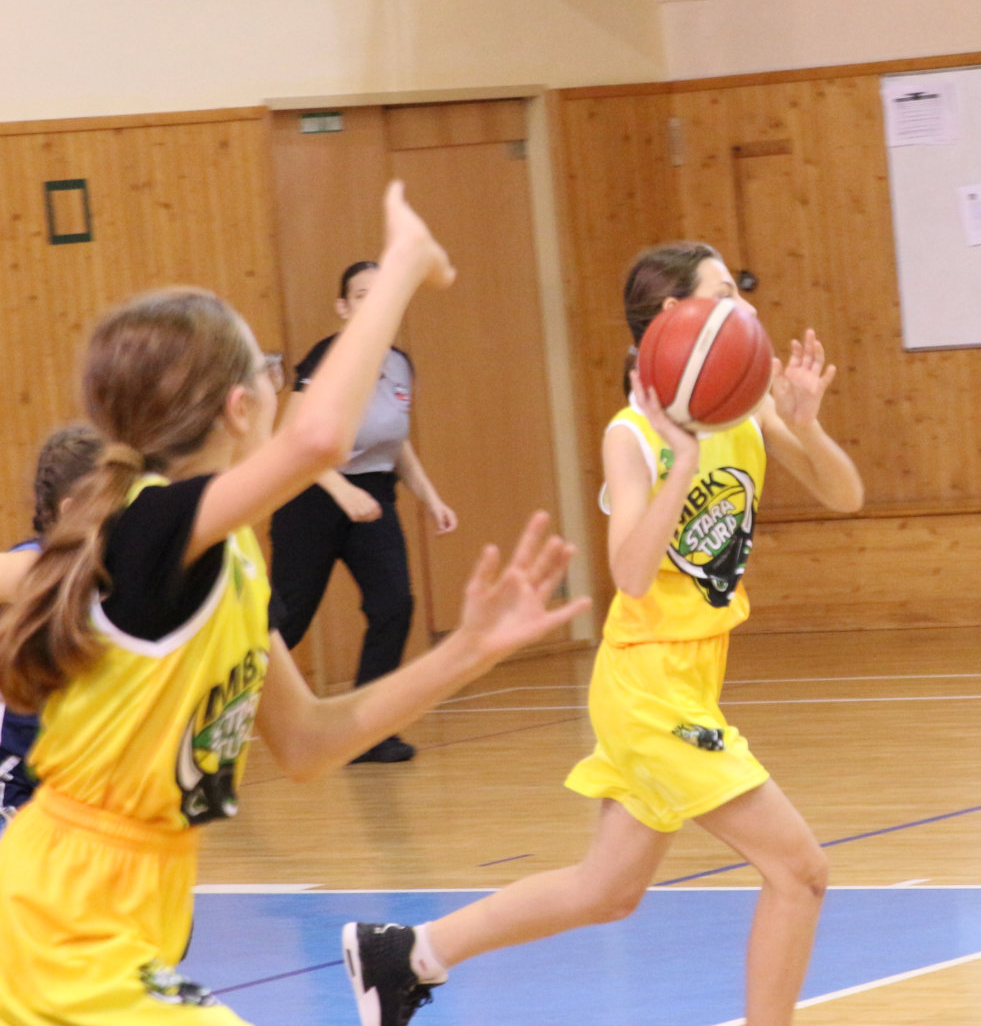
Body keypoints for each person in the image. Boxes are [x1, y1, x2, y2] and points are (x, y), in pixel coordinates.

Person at [0, 183, 587, 1024]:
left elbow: (310, 742)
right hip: (65, 910)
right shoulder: (151, 525)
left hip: (127, 903)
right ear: (241, 406)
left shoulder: (228, 557)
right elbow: (319, 438)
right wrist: (402, 268)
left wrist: (468, 651)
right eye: (271, 372)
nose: (283, 386)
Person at [344, 241, 865, 1026]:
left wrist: (807, 426)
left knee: (607, 890)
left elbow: (845, 495)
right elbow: (629, 572)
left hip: (689, 678)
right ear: (678, 315)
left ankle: (407, 952)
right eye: (727, 291)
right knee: (801, 871)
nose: (748, 306)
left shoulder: (746, 404)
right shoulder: (632, 435)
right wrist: (682, 462)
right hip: (648, 686)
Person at [269, 260, 459, 765]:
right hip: (311, 495)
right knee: (287, 620)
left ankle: (367, 732)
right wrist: (339, 490)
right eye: (361, 295)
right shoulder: (326, 360)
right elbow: (291, 437)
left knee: (394, 605)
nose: (374, 304)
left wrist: (430, 497)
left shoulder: (399, 365)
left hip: (374, 497)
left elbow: (394, 441)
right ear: (343, 307)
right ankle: (204, 710)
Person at [0, 423, 104, 837]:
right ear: (71, 510)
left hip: (75, 797)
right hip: (17, 799)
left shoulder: (118, 576)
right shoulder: (34, 566)